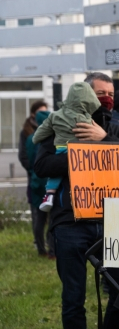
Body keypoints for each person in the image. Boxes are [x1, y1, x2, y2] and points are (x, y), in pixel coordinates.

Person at [34, 72, 119, 329]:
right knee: (73, 298)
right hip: (70, 223)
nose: (106, 99)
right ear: (85, 94)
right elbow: (41, 164)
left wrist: (104, 141)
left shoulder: (118, 129)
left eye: (111, 94)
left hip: (114, 223)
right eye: (100, 94)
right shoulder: (59, 123)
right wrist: (81, 154)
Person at [32, 83, 101, 212]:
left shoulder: (55, 115)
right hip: (82, 149)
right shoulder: (87, 119)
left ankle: (49, 194)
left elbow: (43, 130)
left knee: (56, 174)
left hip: (61, 147)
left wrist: (36, 139)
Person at [25, 110, 54, 258]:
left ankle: (41, 248)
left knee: (39, 218)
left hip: (35, 182)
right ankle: (52, 249)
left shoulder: (30, 138)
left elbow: (28, 159)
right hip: (50, 182)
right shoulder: (50, 137)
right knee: (52, 218)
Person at [18, 100, 48, 241]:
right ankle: (39, 243)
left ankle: (47, 245)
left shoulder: (48, 129)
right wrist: (33, 171)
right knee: (37, 213)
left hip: (44, 179)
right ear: (32, 114)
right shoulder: (27, 132)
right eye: (39, 112)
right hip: (34, 179)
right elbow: (24, 155)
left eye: (45, 111)